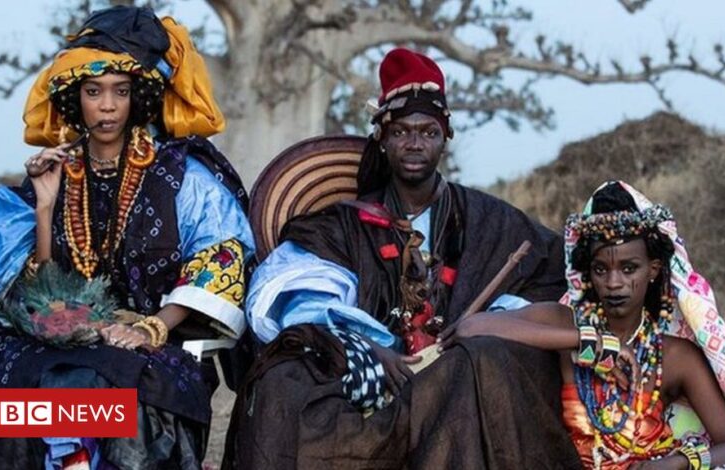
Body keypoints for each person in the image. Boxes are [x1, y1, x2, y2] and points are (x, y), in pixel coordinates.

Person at [223, 47, 581, 468]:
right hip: (369, 368)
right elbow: (298, 297)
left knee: (487, 363)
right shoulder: (340, 224)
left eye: (428, 132)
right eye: (402, 132)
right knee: (282, 380)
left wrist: (482, 326)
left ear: (445, 138)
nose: (414, 144)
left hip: (459, 369)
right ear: (382, 137)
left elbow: (550, 285)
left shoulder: (489, 220)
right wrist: (369, 345)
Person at [0, 6, 254, 469]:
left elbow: (218, 261)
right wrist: (45, 208)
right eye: (93, 91)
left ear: (138, 97)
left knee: (97, 380)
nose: (107, 105)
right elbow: (38, 293)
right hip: (62, 336)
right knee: (8, 384)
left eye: (120, 92)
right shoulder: (52, 175)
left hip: (153, 343)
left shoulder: (183, 175)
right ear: (73, 98)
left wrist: (151, 325)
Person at [439, 180, 725, 469]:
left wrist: (679, 463)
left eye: (629, 268)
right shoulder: (562, 324)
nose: (614, 283)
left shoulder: (674, 356)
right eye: (601, 269)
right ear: (588, 273)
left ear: (653, 269)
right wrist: (585, 341)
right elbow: (470, 327)